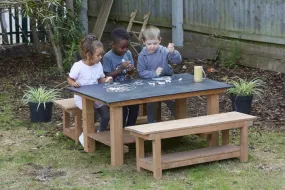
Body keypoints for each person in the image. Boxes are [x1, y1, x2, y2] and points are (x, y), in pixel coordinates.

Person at [67, 34, 113, 133]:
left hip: (96, 96)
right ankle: (86, 135)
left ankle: (100, 133)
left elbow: (100, 79)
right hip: (82, 98)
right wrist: (74, 84)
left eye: (102, 55)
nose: (100, 57)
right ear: (88, 54)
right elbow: (69, 79)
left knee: (106, 116)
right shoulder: (78, 66)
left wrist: (106, 80)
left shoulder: (98, 65)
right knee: (93, 114)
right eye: (98, 55)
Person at [137, 25, 182, 123]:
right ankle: (151, 126)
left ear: (160, 40)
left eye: (155, 43)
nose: (152, 46)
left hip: (167, 82)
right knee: (152, 103)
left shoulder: (163, 50)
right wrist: (154, 73)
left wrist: (173, 52)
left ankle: (181, 121)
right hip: (150, 85)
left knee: (172, 101)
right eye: (149, 44)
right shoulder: (142, 55)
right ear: (144, 42)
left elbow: (177, 61)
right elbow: (141, 72)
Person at [103, 28, 139, 127]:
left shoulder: (128, 53)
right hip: (114, 90)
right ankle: (120, 130)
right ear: (113, 45)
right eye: (122, 47)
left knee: (135, 106)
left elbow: (131, 72)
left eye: (127, 47)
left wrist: (130, 69)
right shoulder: (108, 57)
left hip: (128, 87)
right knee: (122, 111)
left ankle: (130, 128)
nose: (125, 50)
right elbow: (107, 75)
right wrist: (120, 69)